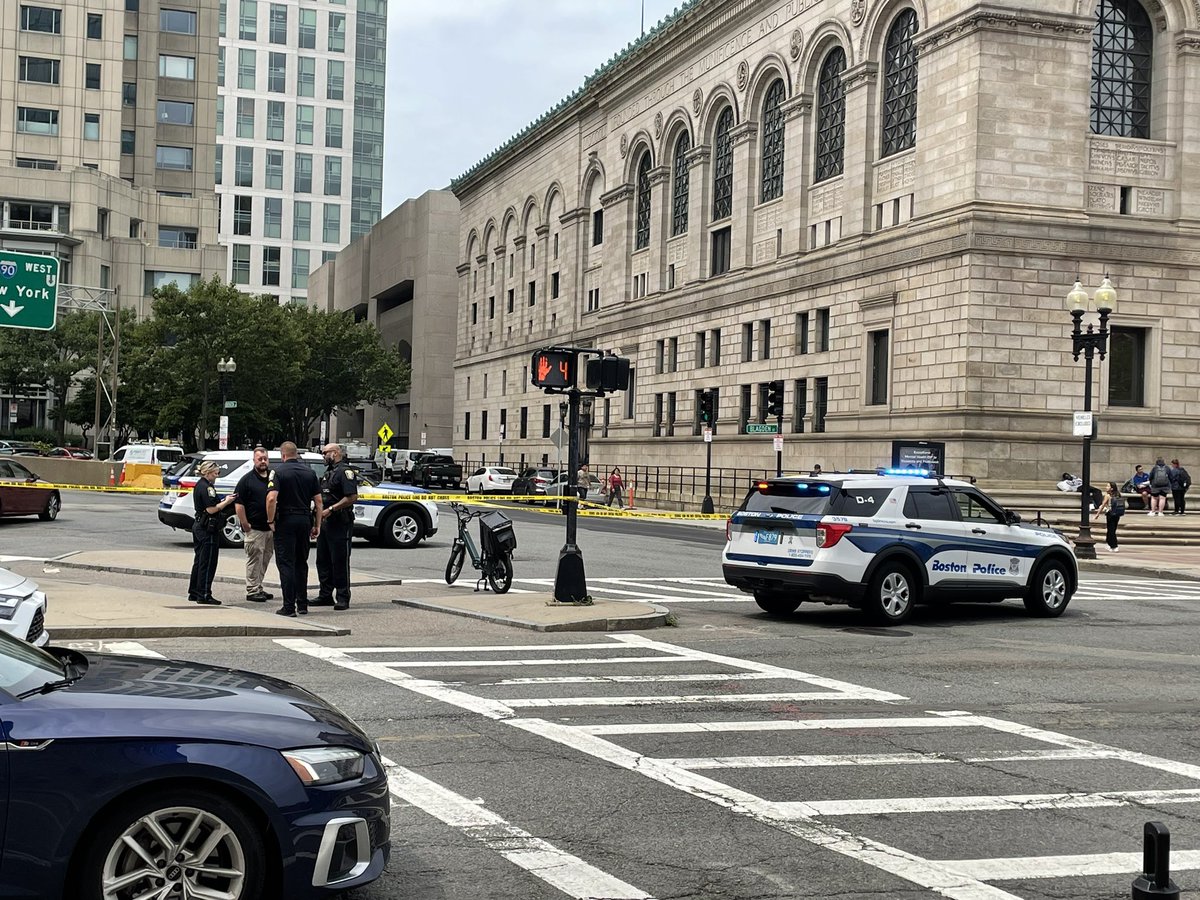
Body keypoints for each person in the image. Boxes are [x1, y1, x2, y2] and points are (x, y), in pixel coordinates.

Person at [266, 441, 322, 617]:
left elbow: (271, 499)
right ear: (296, 454)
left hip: (285, 521)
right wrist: (317, 524)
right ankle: (303, 604)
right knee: (301, 563)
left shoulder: (278, 472)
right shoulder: (310, 472)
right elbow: (319, 502)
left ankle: (288, 607)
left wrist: (270, 520)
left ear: (283, 455)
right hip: (304, 519)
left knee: (286, 563)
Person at [314, 443, 359, 610]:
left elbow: (352, 497)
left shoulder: (345, 472)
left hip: (341, 522)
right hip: (325, 523)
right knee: (322, 560)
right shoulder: (329, 472)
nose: (323, 456)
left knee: (339, 561)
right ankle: (325, 595)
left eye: (325, 453)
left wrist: (332, 509)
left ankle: (342, 597)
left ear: (335, 453)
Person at [188, 461, 237, 605]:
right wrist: (226, 502)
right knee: (208, 562)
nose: (217, 476)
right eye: (216, 473)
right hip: (207, 527)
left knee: (199, 561)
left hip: (199, 525)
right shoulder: (207, 487)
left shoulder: (200, 485)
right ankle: (204, 593)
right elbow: (211, 509)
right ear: (208, 472)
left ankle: (194, 592)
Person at [234, 446, 274, 603]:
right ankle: (252, 590)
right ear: (254, 460)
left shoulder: (272, 478)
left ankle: (259, 587)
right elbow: (239, 504)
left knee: (265, 559)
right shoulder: (247, 480)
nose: (263, 461)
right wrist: (245, 524)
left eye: (265, 459)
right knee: (254, 559)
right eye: (260, 459)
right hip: (254, 529)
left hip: (269, 528)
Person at [1092, 481, 1124, 552]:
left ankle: (1114, 545)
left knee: (1111, 530)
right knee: (1113, 529)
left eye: (1108, 486)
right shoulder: (1118, 495)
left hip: (1110, 514)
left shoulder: (1107, 496)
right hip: (1117, 514)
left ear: (1111, 488)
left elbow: (1102, 505)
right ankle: (1111, 544)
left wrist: (1097, 515)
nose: (1106, 487)